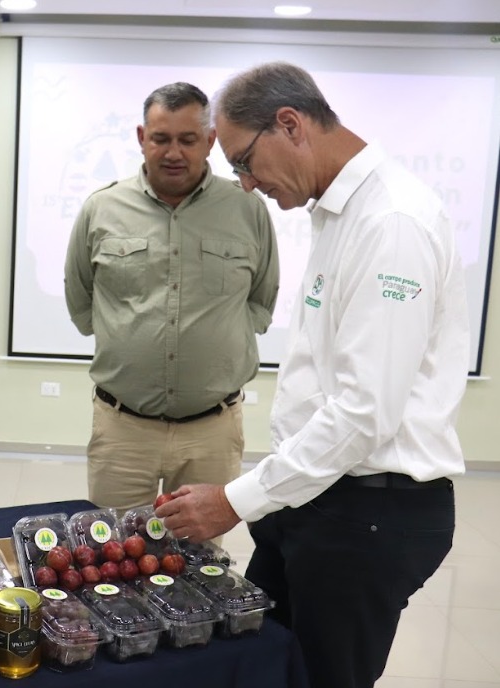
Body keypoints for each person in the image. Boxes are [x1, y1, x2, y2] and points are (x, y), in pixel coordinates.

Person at [156, 62, 469, 688]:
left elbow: (363, 414)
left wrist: (235, 500)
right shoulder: (339, 214)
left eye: (244, 162)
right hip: (317, 498)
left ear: (290, 125)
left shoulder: (391, 223)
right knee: (263, 663)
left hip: (368, 514)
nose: (247, 185)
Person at [63, 82, 279, 511]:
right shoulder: (102, 208)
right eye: (161, 139)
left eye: (188, 140)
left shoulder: (247, 209)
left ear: (210, 141)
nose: (173, 153)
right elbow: (81, 300)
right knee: (112, 544)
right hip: (122, 430)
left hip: (212, 431)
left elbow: (261, 300)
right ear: (142, 138)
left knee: (200, 551)